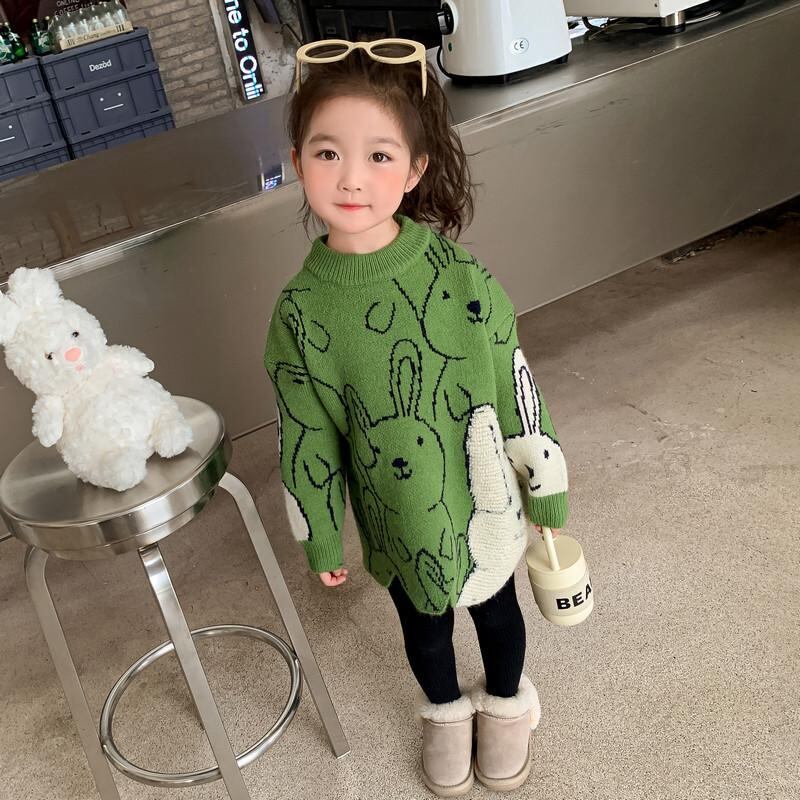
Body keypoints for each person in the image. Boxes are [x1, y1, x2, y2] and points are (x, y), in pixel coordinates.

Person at [264, 39, 569, 797]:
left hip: (484, 496)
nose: (352, 177)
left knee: (497, 614)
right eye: (328, 153)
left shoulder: (460, 276)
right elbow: (305, 433)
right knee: (425, 630)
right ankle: (444, 712)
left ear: (414, 169)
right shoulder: (299, 313)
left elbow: (513, 375)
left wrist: (545, 481)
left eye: (378, 156)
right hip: (396, 513)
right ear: (298, 163)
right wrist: (320, 531)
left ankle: (507, 704)